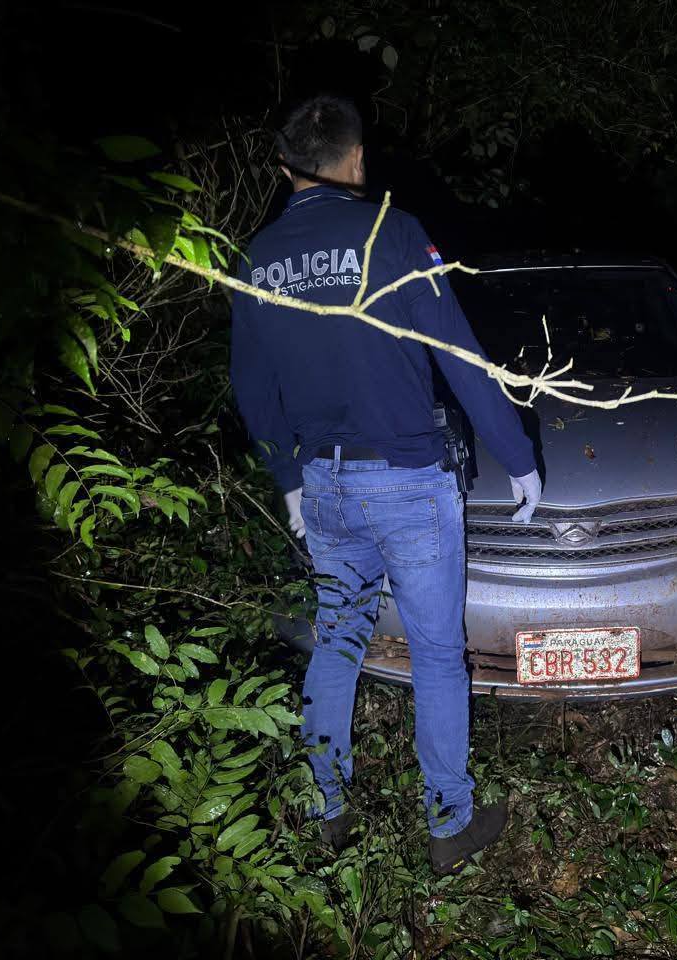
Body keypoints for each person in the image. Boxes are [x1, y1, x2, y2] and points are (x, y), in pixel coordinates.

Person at [230, 94, 542, 875]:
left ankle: (324, 807)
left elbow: (251, 386)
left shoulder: (259, 258)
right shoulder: (392, 233)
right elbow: (459, 354)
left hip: (325, 486)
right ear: (358, 161)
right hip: (406, 479)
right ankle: (447, 825)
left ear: (282, 170)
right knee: (437, 653)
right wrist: (517, 453)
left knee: (337, 636)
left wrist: (287, 480)